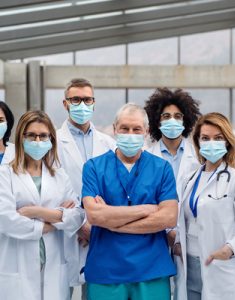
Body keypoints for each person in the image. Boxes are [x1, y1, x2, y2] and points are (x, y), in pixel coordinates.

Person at [82, 103, 178, 300]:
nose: (130, 134)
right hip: (106, 270)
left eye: (136, 129)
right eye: (124, 128)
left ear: (146, 132)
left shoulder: (161, 168)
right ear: (115, 129)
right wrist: (146, 209)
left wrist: (112, 220)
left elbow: (168, 217)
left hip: (151, 270)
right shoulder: (93, 167)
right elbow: (94, 215)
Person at [174, 112, 235, 300]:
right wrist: (177, 244)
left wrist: (230, 248)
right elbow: (184, 218)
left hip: (221, 265)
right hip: (189, 265)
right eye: (205, 138)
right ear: (198, 143)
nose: (211, 143)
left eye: (218, 138)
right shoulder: (188, 180)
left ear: (227, 142)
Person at [0, 110, 84, 300]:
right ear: (21, 137)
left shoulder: (59, 175)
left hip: (54, 266)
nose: (38, 141)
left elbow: (77, 216)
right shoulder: (5, 174)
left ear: (51, 139)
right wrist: (54, 220)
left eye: (43, 135)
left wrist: (34, 212)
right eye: (32, 135)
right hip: (17, 267)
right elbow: (6, 219)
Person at [56, 78, 116, 297]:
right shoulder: (53, 142)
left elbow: (114, 188)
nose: (81, 105)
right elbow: (51, 190)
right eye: (76, 100)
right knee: (61, 290)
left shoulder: (109, 144)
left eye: (86, 100)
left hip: (101, 230)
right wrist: (79, 224)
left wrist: (96, 223)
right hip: (66, 231)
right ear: (65, 104)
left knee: (96, 292)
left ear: (94, 102)